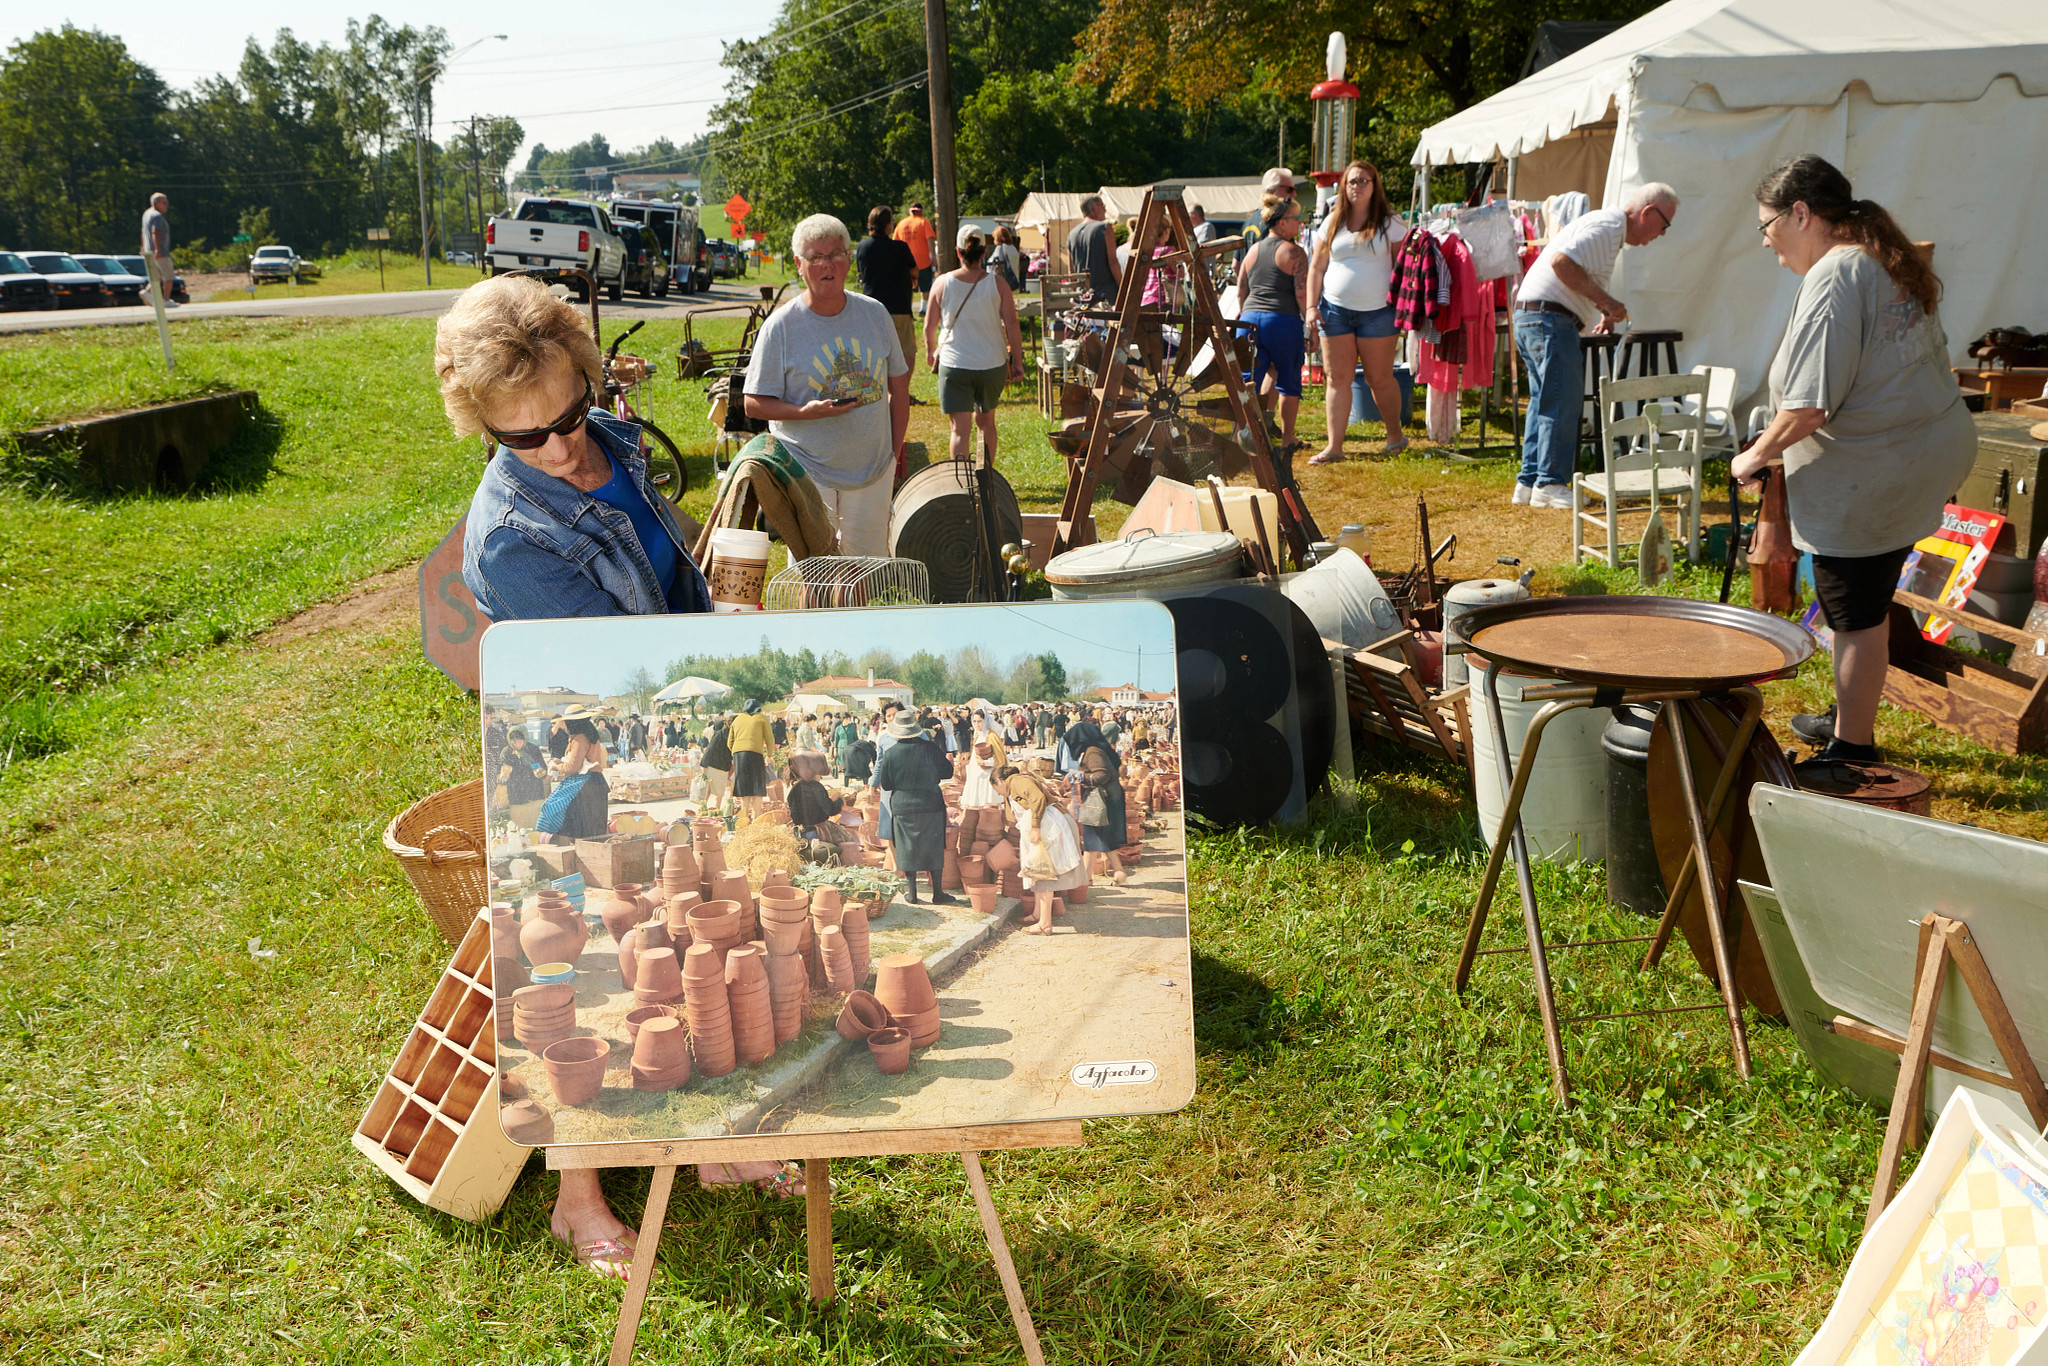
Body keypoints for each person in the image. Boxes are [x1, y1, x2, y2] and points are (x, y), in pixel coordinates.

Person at [1732, 155, 1974, 765]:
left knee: (1854, 612)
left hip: (1879, 470)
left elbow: (1810, 405)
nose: (1766, 242)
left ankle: (1853, 748)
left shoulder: (1838, 273)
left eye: (1766, 226)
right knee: (1871, 591)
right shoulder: (1881, 255)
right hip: (1920, 450)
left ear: (1801, 213)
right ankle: (1849, 710)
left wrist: (1753, 456)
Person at [442, 275, 711, 620]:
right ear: (484, 424)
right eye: (524, 438)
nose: (559, 452)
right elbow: (622, 663)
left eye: (570, 417)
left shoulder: (604, 430)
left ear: (586, 378)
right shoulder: (509, 544)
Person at [743, 215, 910, 557]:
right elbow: (753, 402)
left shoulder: (875, 314)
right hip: (807, 471)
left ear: (850, 258)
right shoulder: (781, 327)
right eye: (815, 257)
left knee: (862, 573)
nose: (826, 265)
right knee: (815, 575)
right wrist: (805, 412)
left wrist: (893, 454)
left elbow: (899, 387)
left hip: (873, 470)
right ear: (798, 265)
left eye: (835, 254)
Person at [1512, 183, 1679, 508]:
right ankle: (1550, 482)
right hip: (1548, 320)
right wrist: (1606, 301)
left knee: (1543, 400)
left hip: (1534, 316)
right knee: (1562, 400)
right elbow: (1562, 264)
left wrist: (1603, 309)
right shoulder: (1607, 227)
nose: (1661, 235)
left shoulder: (1607, 230)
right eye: (1664, 225)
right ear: (1648, 212)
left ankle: (1529, 482)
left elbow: (1574, 270)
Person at [1306, 161, 1409, 464]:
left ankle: (1394, 436)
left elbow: (1402, 269)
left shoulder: (1390, 223)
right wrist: (1311, 306)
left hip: (1378, 313)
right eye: (1352, 181)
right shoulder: (1332, 222)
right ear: (1343, 186)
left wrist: (1404, 308)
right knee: (1337, 379)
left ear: (1375, 185)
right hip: (1334, 311)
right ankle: (1334, 447)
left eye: (1363, 181)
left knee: (1380, 378)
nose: (1357, 186)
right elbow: (1316, 267)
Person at [925, 224, 1025, 465]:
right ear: (984, 253)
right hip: (992, 364)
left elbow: (929, 326)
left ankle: (961, 486)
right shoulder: (999, 284)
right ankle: (986, 478)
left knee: (959, 430)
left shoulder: (941, 283)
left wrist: (930, 352)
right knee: (986, 424)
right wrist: (1018, 362)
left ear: (958, 252)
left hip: (954, 363)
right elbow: (1012, 325)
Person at [1234, 193, 1310, 457]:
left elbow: (1241, 290)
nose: (1299, 223)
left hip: (1250, 320)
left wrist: (1246, 317)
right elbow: (1302, 295)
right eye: (1295, 219)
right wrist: (1310, 327)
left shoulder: (1252, 250)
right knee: (1288, 381)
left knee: (1249, 381)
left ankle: (1245, 435)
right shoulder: (1294, 252)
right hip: (1282, 320)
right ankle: (1287, 439)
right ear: (1281, 223)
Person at [873, 710, 954, 903]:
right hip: (931, 803)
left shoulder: (891, 753)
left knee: (906, 847)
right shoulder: (931, 748)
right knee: (933, 846)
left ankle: (913, 894)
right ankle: (938, 893)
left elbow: (886, 784)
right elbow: (948, 772)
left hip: (903, 806)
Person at [856, 206, 924, 425]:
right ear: (888, 224)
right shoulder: (900, 248)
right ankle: (900, 391)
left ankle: (879, 394)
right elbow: (915, 271)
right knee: (907, 354)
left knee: (875, 357)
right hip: (898, 309)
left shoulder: (863, 247)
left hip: (871, 311)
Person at [1003, 768, 1087, 935]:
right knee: (1037, 871)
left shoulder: (1017, 782)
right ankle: (1037, 914)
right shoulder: (1018, 783)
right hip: (1047, 823)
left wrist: (1035, 827)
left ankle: (1044, 924)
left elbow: (1038, 799)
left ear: (999, 781)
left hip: (1047, 826)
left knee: (1043, 872)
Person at [1058, 711, 1127, 885]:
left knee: (1094, 838)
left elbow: (1101, 775)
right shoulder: (1097, 748)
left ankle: (1087, 877)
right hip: (1108, 799)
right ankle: (1113, 873)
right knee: (1098, 839)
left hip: (1103, 801)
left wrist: (1078, 776)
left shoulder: (1093, 752)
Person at [1064, 195, 1120, 304]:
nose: (1105, 209)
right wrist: (1123, 287)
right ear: (1095, 208)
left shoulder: (1071, 234)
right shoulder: (1105, 228)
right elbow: (1113, 261)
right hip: (1105, 294)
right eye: (1102, 205)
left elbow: (1071, 271)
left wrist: (1076, 293)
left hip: (1083, 295)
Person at [727, 699, 774, 818]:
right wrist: (769, 755)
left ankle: (744, 817)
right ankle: (756, 817)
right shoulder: (762, 718)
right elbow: (770, 739)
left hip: (739, 754)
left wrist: (736, 752)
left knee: (744, 787)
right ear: (758, 709)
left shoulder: (737, 719)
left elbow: (729, 742)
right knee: (757, 786)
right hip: (755, 753)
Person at [495, 728, 550, 828]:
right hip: (517, 798)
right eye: (514, 742)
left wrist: (535, 766)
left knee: (535, 826)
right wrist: (503, 776)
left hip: (534, 795)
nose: (517, 745)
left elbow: (543, 773)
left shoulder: (533, 749)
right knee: (520, 828)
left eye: (520, 742)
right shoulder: (506, 752)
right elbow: (501, 773)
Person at [893, 201, 938, 314]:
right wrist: (933, 256)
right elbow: (930, 240)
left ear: (910, 211)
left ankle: (908, 308)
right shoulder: (924, 222)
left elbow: (894, 242)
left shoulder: (901, 224)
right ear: (921, 211)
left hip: (905, 262)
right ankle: (923, 309)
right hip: (922, 261)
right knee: (925, 286)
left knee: (908, 287)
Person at [141, 192, 178, 307]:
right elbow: (155, 232)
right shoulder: (157, 216)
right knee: (169, 277)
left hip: (148, 252)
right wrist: (158, 250)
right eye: (164, 202)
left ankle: (147, 292)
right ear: (156, 203)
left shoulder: (146, 214)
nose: (167, 205)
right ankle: (166, 300)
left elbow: (143, 232)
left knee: (157, 277)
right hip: (160, 252)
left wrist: (143, 248)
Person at [960, 713, 1005, 806]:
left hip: (988, 774)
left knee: (988, 802)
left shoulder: (991, 736)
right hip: (976, 773)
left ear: (985, 721)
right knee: (975, 800)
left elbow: (1000, 758)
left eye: (979, 721)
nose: (977, 724)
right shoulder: (977, 735)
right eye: (974, 721)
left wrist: (985, 762)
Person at [700, 714, 733, 810]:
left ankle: (716, 808)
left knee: (718, 790)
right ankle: (704, 807)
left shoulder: (726, 734)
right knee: (711, 789)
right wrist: (704, 765)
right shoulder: (721, 734)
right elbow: (710, 749)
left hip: (720, 765)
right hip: (716, 765)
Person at [987, 225, 1024, 292]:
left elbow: (995, 263)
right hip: (1014, 281)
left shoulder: (1000, 249)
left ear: (997, 238)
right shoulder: (1013, 248)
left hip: (1002, 283)